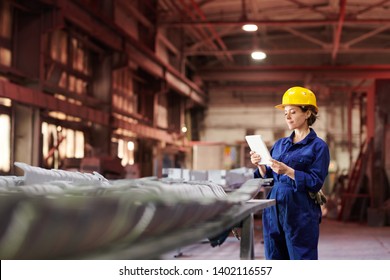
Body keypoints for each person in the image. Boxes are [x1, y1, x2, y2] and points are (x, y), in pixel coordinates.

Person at [250, 86, 330, 260]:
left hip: (300, 209)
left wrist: (289, 171)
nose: (287, 116)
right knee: (274, 257)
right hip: (274, 208)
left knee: (300, 258)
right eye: (285, 112)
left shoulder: (318, 147)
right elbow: (269, 178)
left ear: (308, 113)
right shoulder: (280, 145)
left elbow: (315, 182)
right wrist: (261, 165)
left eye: (292, 112)